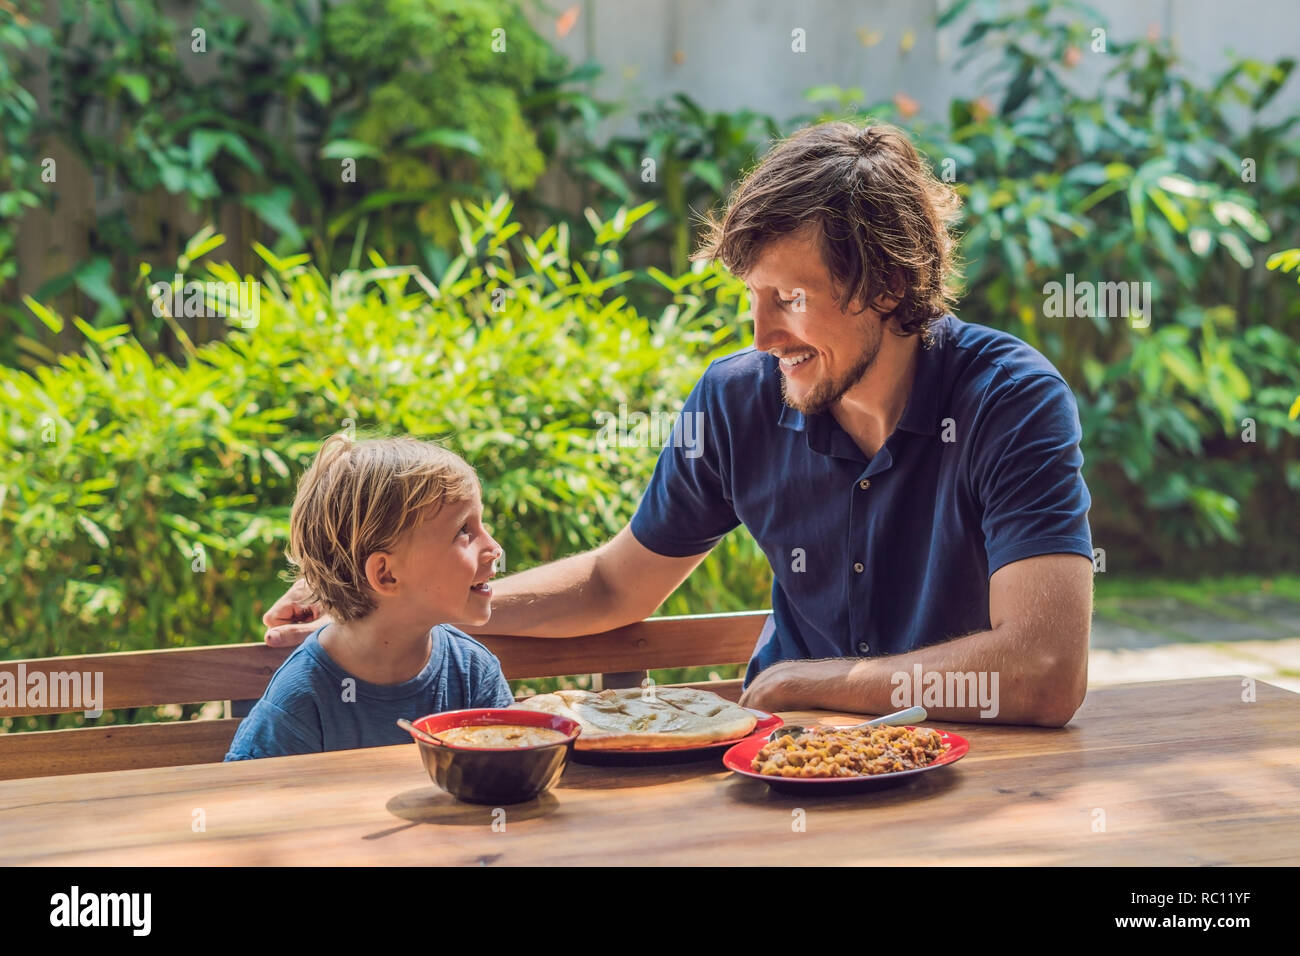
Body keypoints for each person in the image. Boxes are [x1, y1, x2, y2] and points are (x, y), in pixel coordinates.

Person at [262, 121, 1093, 727]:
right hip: (791, 769)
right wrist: (401, 599)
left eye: (790, 300)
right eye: (753, 299)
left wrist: (814, 682)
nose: (763, 337)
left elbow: (1045, 669)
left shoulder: (1010, 401)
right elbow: (613, 586)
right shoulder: (738, 402)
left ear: (886, 283)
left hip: (975, 775)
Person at [227, 434, 512, 760]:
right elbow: (249, 801)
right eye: (464, 530)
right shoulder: (301, 702)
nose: (494, 549)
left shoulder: (473, 674)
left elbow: (506, 776)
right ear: (386, 574)